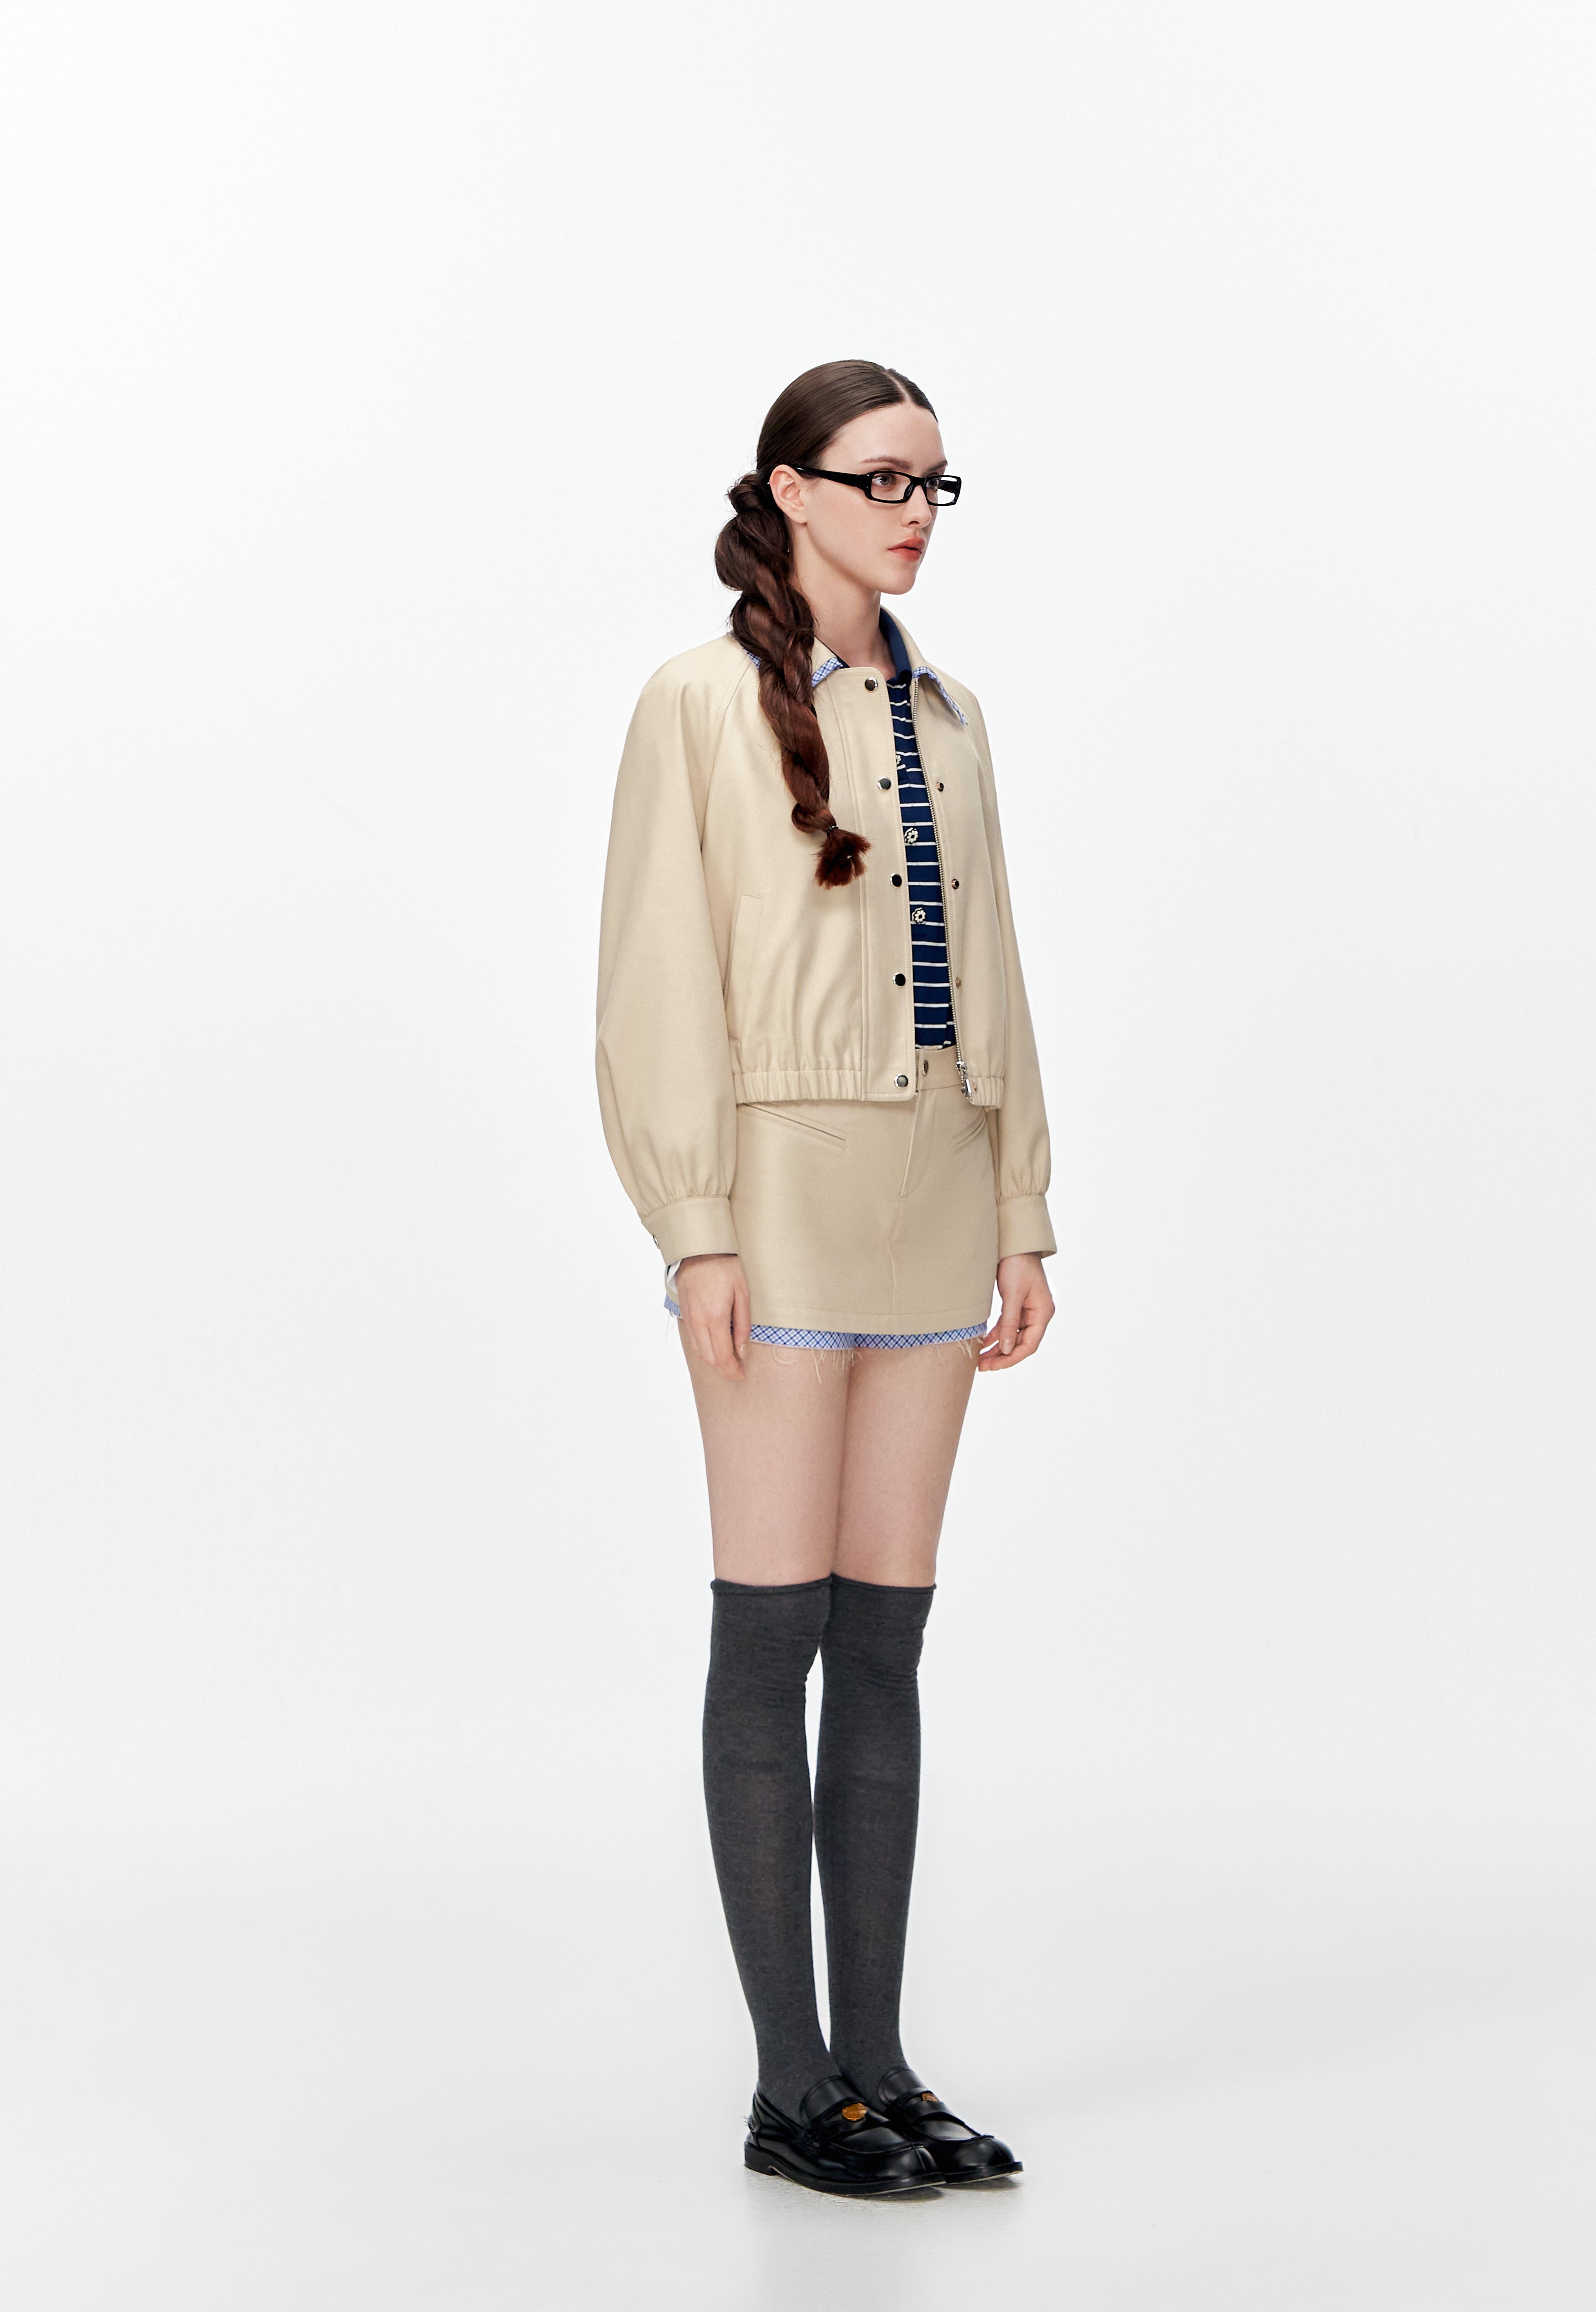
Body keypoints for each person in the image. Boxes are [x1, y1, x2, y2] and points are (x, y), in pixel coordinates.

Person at [595, 360, 1056, 2197]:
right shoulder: (696, 702)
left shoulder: (953, 713)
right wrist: (695, 1221)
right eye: (883, 479)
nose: (916, 513)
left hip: (937, 1198)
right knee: (769, 1633)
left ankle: (877, 2065)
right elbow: (652, 981)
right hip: (778, 1206)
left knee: (884, 1643)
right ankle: (792, 2090)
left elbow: (1000, 968)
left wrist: (1022, 1208)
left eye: (937, 484)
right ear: (790, 489)